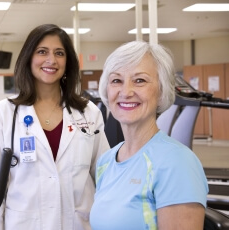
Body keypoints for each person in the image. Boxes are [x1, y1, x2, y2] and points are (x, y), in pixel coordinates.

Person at [0, 24, 110, 230]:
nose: (51, 60)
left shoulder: (88, 112)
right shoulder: (6, 112)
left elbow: (105, 175)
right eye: (42, 52)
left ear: (67, 61)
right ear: (28, 58)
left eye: (59, 53)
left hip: (79, 223)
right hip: (25, 224)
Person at [90, 41, 209, 229]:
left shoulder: (177, 163)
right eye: (116, 80)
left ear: (161, 91)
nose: (126, 92)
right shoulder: (106, 162)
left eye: (140, 80)